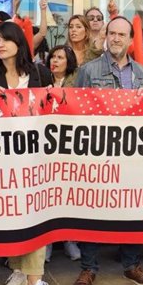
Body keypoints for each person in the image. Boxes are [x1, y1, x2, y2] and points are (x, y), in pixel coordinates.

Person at [0, 22, 59, 285]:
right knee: (11, 214)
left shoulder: (39, 72)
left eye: (6, 40)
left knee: (35, 213)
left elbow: (55, 109)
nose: (0, 44)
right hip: (1, 158)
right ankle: (19, 270)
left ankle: (33, 282)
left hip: (36, 157)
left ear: (19, 43)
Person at [72, 16, 143, 285]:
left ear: (131, 40)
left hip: (132, 155)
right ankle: (89, 267)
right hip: (97, 153)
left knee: (132, 208)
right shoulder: (88, 70)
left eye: (122, 34)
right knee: (92, 209)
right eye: (113, 33)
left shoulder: (141, 73)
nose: (117, 38)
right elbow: (73, 108)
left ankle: (131, 264)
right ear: (106, 36)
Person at [44, 45, 81, 262]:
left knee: (69, 195)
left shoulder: (77, 80)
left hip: (70, 142)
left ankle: (70, 240)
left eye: (60, 57)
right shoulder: (40, 78)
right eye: (53, 57)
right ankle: (46, 244)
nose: (55, 60)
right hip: (47, 145)